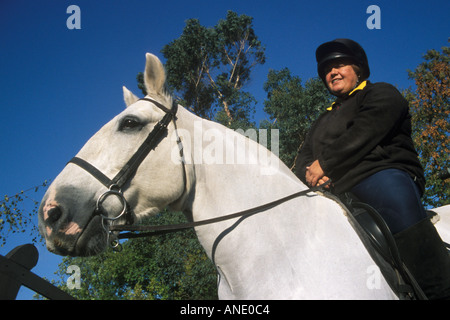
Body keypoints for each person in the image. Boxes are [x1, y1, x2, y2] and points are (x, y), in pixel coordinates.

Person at [295, 38, 450, 299]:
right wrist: (311, 178)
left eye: (339, 65)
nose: (331, 72)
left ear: (358, 69)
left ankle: (440, 290)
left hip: (379, 173)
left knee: (391, 196)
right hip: (333, 191)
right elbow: (303, 160)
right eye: (326, 70)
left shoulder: (381, 92)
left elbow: (366, 131)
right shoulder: (322, 119)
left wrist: (325, 163)